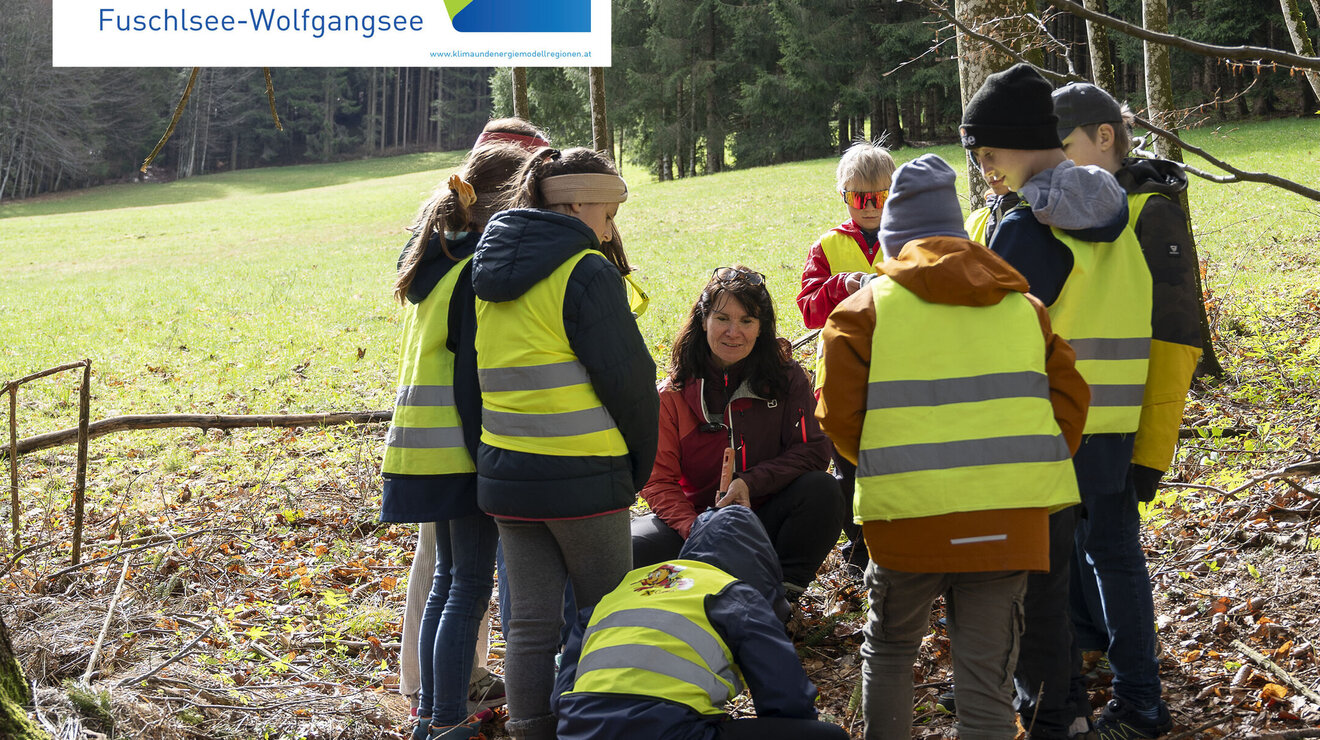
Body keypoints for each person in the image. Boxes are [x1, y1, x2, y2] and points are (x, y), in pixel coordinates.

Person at [816, 153, 1089, 740]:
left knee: (889, 650)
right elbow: (1071, 403)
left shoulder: (860, 314)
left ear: (894, 240)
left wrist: (892, 460)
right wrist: (1021, 466)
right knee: (987, 678)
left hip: (906, 519)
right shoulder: (1025, 309)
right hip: (1007, 521)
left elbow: (838, 418)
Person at [959, 63, 1154, 740]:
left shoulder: (1026, 225)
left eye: (989, 156)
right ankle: (1139, 699)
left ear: (1014, 143)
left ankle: (1054, 704)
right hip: (1115, 414)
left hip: (1053, 422)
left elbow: (994, 333)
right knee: (1113, 556)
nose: (989, 173)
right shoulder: (1113, 205)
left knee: (1039, 573)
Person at [472, 146, 659, 740]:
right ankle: (602, 727)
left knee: (527, 628)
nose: (613, 225)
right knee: (606, 615)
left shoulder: (486, 269)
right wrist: (636, 467)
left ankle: (531, 730)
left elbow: (467, 379)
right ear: (577, 201)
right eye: (609, 210)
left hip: (508, 478)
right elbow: (630, 380)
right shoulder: (586, 271)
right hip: (586, 479)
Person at [1051, 81, 1198, 739]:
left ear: (1103, 136)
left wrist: (1150, 449)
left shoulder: (1148, 214)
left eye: (1063, 145)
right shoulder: (1084, 211)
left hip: (1117, 429)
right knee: (1082, 543)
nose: (1053, 161)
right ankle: (1090, 646)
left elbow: (1175, 341)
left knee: (1111, 548)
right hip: (1074, 425)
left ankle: (1141, 703)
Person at [394, 117, 550, 733]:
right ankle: (449, 718)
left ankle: (431, 713)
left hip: (425, 445)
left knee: (447, 585)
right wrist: (492, 447)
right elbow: (472, 377)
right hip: (463, 446)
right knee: (465, 589)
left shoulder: (439, 253)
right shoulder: (475, 271)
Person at [631, 266, 843, 608]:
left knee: (823, 489)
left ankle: (783, 594)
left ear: (761, 328)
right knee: (630, 548)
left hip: (766, 516)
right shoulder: (672, 394)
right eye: (722, 318)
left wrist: (750, 483)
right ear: (703, 320)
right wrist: (697, 529)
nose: (734, 332)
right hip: (699, 520)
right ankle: (692, 595)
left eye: (747, 320)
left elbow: (815, 452)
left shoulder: (789, 380)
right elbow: (658, 482)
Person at [554, 505, 851, 740]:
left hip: (579, 730)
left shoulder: (623, 589)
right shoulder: (734, 595)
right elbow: (788, 701)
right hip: (670, 731)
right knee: (829, 736)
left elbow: (561, 693)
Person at [797, 140, 897, 571]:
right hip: (839, 373)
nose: (871, 207)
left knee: (892, 460)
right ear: (844, 195)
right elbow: (807, 310)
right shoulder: (828, 245)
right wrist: (840, 285)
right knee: (847, 465)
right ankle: (857, 544)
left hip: (897, 370)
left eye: (881, 197)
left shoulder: (908, 238)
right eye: (860, 198)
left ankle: (892, 539)